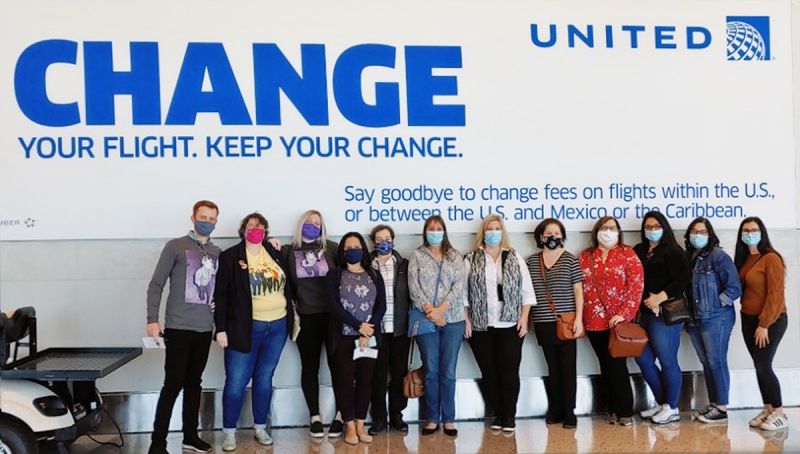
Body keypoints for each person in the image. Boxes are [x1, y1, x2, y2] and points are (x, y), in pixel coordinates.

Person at [146, 200, 221, 454]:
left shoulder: (217, 252)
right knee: (173, 384)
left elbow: (219, 290)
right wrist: (152, 319)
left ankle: (190, 436)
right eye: (203, 217)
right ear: (192, 218)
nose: (207, 222)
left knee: (194, 384)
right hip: (178, 328)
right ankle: (158, 443)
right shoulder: (175, 246)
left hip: (204, 329)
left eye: (212, 219)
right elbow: (156, 284)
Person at [214, 213, 294, 450]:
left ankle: (260, 426)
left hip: (277, 326)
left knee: (264, 379)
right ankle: (229, 431)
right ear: (243, 230)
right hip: (244, 328)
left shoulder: (275, 253)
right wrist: (221, 329)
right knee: (236, 381)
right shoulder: (231, 256)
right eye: (251, 226)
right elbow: (222, 295)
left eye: (260, 227)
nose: (255, 230)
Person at [465, 214, 536, 432]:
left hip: (510, 324)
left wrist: (524, 318)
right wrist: (466, 320)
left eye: (497, 228)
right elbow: (463, 293)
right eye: (489, 228)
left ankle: (510, 416)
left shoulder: (514, 257)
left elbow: (527, 292)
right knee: (489, 372)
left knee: (509, 371)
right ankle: (498, 413)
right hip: (480, 325)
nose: (493, 232)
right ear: (483, 232)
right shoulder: (470, 258)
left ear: (502, 231)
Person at [281, 210, 343, 437]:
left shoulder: (333, 249)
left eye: (317, 223)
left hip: (333, 317)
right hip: (306, 318)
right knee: (310, 367)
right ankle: (314, 416)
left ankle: (340, 415)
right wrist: (270, 241)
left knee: (339, 367)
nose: (313, 225)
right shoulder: (289, 251)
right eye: (309, 222)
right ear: (301, 224)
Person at [579, 216, 643, 427]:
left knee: (617, 365)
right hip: (593, 321)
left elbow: (636, 287)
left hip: (618, 322)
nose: (608, 232)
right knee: (605, 365)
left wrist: (624, 314)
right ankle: (611, 408)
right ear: (596, 231)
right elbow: (579, 289)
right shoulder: (586, 256)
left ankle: (625, 410)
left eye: (612, 228)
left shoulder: (627, 254)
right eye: (604, 228)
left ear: (618, 231)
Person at [408, 215, 468, 437]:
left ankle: (449, 419)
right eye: (431, 228)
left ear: (444, 231)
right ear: (425, 231)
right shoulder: (416, 255)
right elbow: (413, 287)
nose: (434, 231)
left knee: (448, 371)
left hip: (452, 320)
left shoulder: (455, 256)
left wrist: (442, 310)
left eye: (438, 228)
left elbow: (459, 286)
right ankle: (432, 418)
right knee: (431, 370)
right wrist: (431, 312)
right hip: (425, 320)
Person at [327, 232, 387, 445]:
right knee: (344, 381)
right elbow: (333, 306)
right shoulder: (335, 275)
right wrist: (358, 326)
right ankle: (349, 426)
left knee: (365, 381)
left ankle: (361, 425)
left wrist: (367, 329)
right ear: (343, 252)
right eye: (348, 247)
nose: (353, 250)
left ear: (363, 249)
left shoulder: (374, 274)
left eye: (357, 246)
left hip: (368, 338)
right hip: (344, 336)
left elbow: (382, 305)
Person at [633, 211, 691, 424]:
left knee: (667, 360)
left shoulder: (674, 251)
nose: (652, 230)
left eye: (656, 226)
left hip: (664, 315)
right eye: (648, 226)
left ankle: (672, 407)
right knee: (643, 359)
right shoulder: (639, 250)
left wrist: (660, 297)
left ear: (664, 227)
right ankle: (661, 403)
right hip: (643, 315)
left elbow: (683, 279)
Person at [683, 217, 741, 424]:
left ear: (710, 235)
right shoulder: (689, 257)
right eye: (694, 231)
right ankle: (714, 403)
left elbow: (734, 288)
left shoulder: (718, 256)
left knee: (717, 360)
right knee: (706, 361)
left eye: (702, 232)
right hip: (694, 319)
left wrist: (716, 305)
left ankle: (722, 407)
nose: (697, 235)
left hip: (717, 318)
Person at [527, 218, 583, 429]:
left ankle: (570, 412)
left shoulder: (570, 259)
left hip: (567, 321)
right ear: (540, 237)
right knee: (553, 368)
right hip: (543, 321)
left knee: (568, 368)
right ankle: (556, 409)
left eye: (557, 233)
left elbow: (579, 291)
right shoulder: (532, 261)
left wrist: (579, 318)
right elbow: (528, 293)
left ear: (562, 236)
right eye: (548, 233)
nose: (552, 237)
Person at [734, 216, 789, 431]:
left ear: (762, 232)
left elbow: (776, 295)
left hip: (770, 321)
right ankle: (767, 409)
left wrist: (764, 324)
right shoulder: (745, 258)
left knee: (764, 365)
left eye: (754, 230)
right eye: (745, 231)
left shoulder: (771, 258)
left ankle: (779, 412)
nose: (749, 233)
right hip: (748, 319)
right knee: (759, 366)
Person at [367, 225, 412, 435]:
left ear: (393, 240)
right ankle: (378, 418)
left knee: (398, 373)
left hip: (399, 330)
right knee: (376, 375)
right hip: (375, 330)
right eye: (379, 238)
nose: (383, 241)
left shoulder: (404, 264)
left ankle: (397, 416)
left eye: (387, 237)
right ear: (373, 242)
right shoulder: (366, 265)